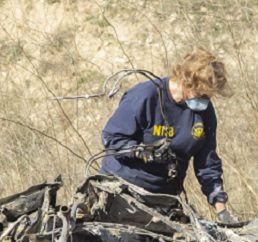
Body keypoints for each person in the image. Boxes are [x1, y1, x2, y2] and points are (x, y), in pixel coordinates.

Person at [100, 48, 238, 226]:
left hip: (164, 198)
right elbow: (111, 139)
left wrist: (221, 209)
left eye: (208, 96)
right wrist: (144, 152)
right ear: (185, 81)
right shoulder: (145, 96)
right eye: (200, 94)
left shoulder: (204, 112)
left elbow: (207, 162)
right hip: (125, 193)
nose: (204, 100)